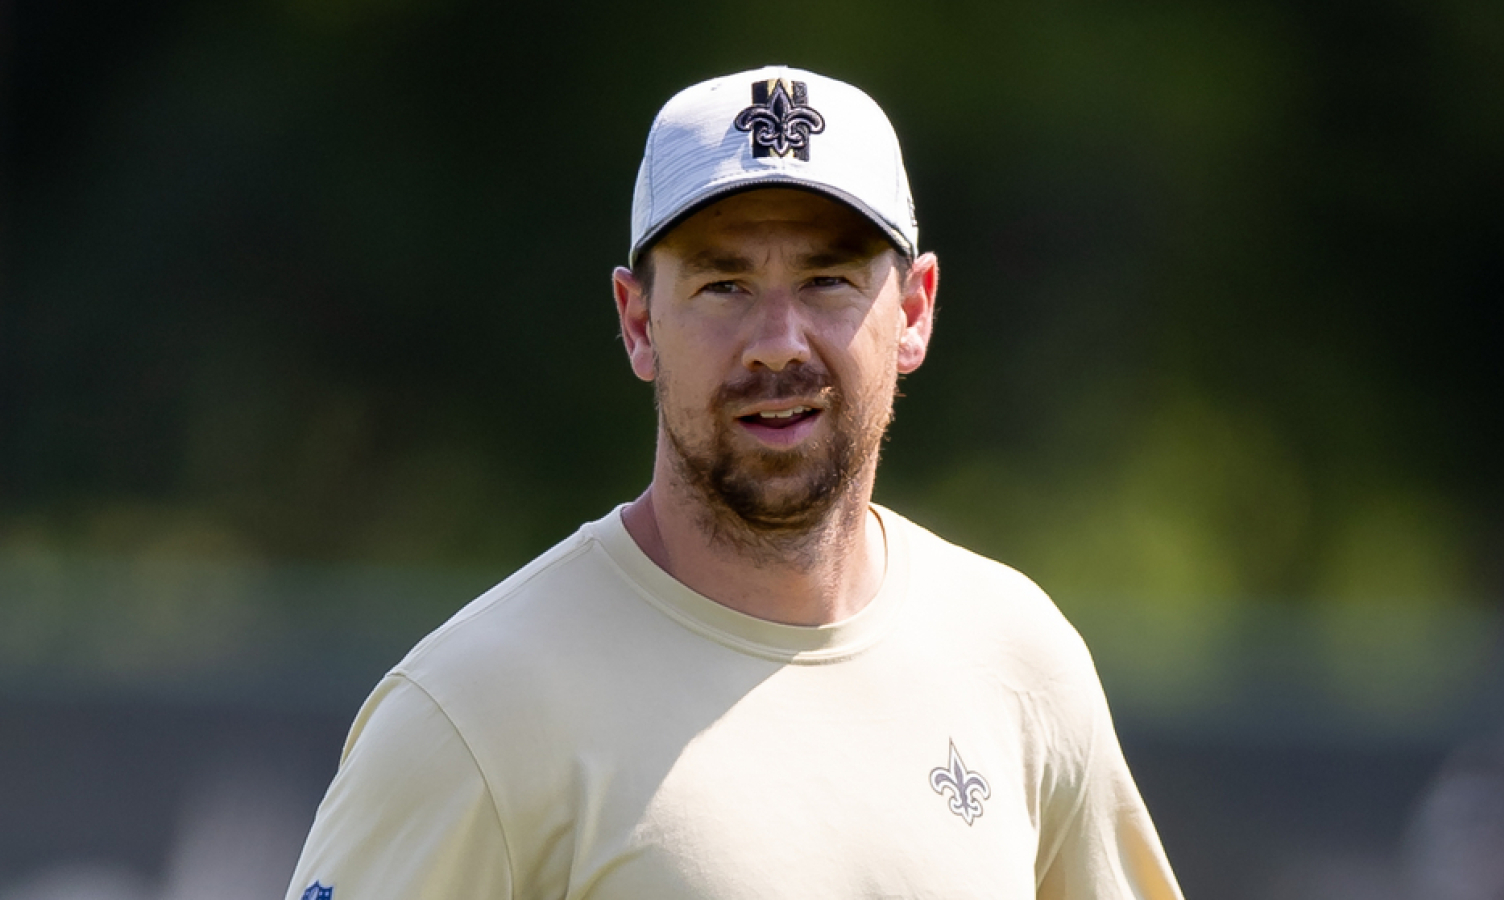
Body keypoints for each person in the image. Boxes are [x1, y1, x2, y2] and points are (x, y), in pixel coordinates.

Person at [284, 65, 1184, 900]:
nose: (778, 343)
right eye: (724, 285)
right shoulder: (471, 714)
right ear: (639, 322)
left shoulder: (1018, 661)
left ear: (914, 311)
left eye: (828, 279)